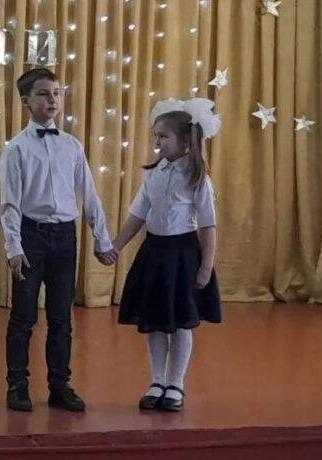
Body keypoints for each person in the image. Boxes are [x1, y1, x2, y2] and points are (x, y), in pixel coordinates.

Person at [0, 68, 118, 413]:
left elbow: (89, 194)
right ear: (26, 101)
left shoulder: (72, 145)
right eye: (43, 94)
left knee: (61, 317)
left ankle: (60, 385)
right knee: (23, 317)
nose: (52, 99)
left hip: (65, 236)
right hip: (31, 236)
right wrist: (14, 247)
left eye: (56, 93)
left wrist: (102, 239)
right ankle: (17, 385)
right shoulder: (16, 149)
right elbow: (9, 203)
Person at [112, 98, 223, 412]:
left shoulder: (197, 177)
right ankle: (157, 380)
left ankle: (176, 383)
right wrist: (115, 247)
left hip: (183, 256)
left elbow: (208, 226)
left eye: (163, 136)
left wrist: (206, 266)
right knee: (156, 321)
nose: (157, 142)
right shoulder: (153, 173)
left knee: (181, 323)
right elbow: (137, 216)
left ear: (185, 140)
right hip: (154, 253)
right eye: (156, 136)